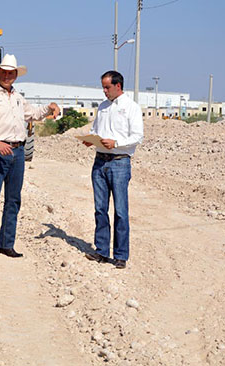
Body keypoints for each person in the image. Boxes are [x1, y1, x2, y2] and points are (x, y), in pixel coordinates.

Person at [0, 54, 60, 262]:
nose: (7, 76)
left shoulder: (19, 98)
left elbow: (34, 114)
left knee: (13, 201)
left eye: (10, 73)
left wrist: (50, 107)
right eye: (3, 72)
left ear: (15, 75)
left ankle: (6, 244)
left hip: (18, 153)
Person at [83, 70, 143, 269]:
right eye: (103, 87)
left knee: (120, 211)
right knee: (100, 209)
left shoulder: (131, 107)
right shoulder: (102, 107)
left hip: (119, 162)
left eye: (107, 87)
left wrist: (116, 143)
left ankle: (120, 255)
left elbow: (137, 136)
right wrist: (91, 139)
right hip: (99, 162)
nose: (104, 91)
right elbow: (96, 130)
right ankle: (101, 251)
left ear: (118, 86)